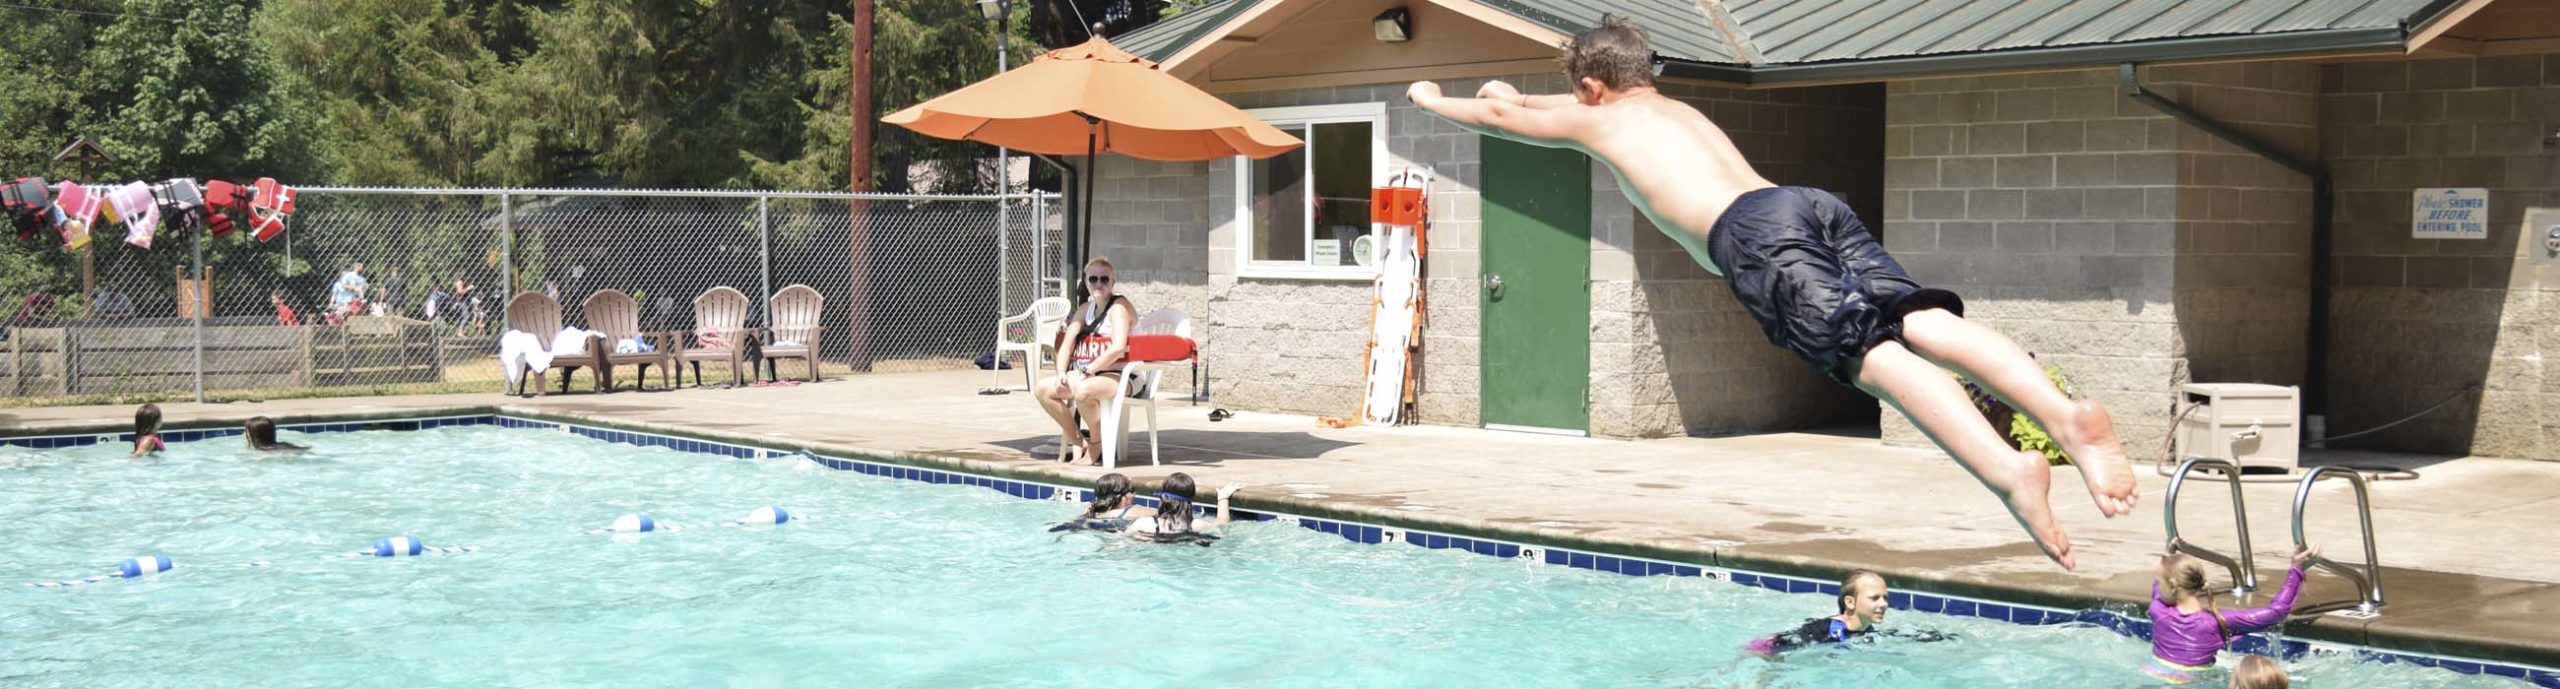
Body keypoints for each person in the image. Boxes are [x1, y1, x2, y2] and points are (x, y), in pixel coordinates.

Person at [1405, 16, 2135, 570]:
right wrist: (1513, 94)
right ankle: (2066, 418)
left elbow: (1510, 117)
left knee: (1868, 357)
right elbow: (1530, 105)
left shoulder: (1602, 119)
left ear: (1590, 89)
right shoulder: (1665, 108)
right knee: (1917, 318)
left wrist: (1432, 98)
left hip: (1753, 237)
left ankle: (2008, 469)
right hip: (1807, 205)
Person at [2145, 541, 2317, 684]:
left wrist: (2166, 562)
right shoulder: (2216, 622)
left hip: (2153, 675)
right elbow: (2275, 612)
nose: (2157, 586)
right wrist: (2296, 570)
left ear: (2174, 586)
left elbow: (2157, 594)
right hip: (2196, 683)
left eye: (2159, 582)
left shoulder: (2158, 611)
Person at [1035, 256, 1136, 465]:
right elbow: (1067, 343)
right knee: (1043, 389)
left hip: (1124, 375)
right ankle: (1079, 441)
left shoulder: (1119, 308)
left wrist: (1089, 369)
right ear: (1087, 282)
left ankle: (1097, 444)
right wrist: (1061, 372)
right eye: (1093, 279)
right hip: (1091, 373)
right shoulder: (1085, 309)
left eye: (1104, 279)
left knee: (1083, 392)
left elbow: (1118, 348)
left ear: (1113, 283)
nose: (1098, 284)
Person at [1745, 570, 1951, 656]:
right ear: (1850, 602)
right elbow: (1774, 647)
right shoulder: (1831, 631)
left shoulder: (1863, 628)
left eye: (1885, 598)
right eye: (1874, 598)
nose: (1883, 604)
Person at [1126, 472, 1243, 545]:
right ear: (1190, 502)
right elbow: (1222, 523)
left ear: (1162, 499)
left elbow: (1123, 540)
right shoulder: (1195, 526)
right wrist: (1223, 498)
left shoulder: (1144, 523)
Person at [1050, 472, 1155, 533]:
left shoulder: (1090, 510)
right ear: (1125, 496)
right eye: (1132, 490)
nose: (1134, 494)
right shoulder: (1135, 512)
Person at [243, 416, 307, 452]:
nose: (245, 433)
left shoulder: (264, 452)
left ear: (255, 435)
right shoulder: (285, 444)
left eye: (247, 431)